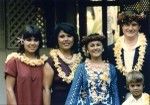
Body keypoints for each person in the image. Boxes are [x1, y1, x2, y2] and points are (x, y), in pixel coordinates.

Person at [107, 10, 150, 104]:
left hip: (145, 99)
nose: (130, 28)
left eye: (134, 24)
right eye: (126, 24)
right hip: (118, 99)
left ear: (139, 26)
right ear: (122, 26)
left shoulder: (148, 49)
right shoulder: (110, 50)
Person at [65, 33, 120, 105]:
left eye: (98, 45)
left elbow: (114, 93)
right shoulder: (81, 68)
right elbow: (74, 92)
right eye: (92, 45)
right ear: (87, 49)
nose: (95, 48)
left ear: (103, 48)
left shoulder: (111, 68)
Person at [5, 25, 48, 105]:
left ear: (39, 42)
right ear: (22, 41)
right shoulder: (14, 61)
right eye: (28, 40)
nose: (32, 43)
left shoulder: (44, 63)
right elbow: (9, 89)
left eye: (36, 40)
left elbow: (46, 89)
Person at [43, 23, 82, 105]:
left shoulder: (82, 60)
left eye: (69, 36)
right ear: (56, 39)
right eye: (62, 36)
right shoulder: (51, 62)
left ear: (74, 38)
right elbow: (46, 89)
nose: (66, 39)